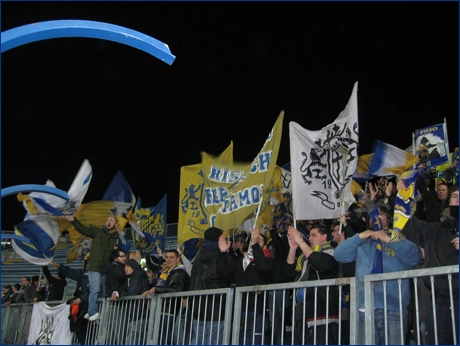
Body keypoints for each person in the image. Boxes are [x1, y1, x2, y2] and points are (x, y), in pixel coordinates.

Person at [334, 205, 422, 345]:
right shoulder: (363, 242)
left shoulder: (398, 238)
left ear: (388, 218)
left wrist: (388, 239)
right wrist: (360, 236)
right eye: (373, 214)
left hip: (393, 308)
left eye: (380, 214)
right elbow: (339, 255)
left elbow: (415, 256)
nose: (376, 217)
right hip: (363, 307)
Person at [402, 185, 459, 344]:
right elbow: (408, 226)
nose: (458, 198)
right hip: (440, 303)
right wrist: (403, 197)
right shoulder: (438, 229)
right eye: (455, 196)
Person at [287, 223, 340, 345]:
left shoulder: (332, 252)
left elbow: (322, 264)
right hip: (304, 307)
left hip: (323, 309)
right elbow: (289, 273)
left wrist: (300, 241)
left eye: (313, 235)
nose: (309, 238)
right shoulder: (306, 257)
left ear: (324, 237)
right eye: (309, 236)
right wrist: (293, 249)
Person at [65, 214, 121, 321]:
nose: (108, 221)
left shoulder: (116, 239)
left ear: (116, 224)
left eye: (111, 220)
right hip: (94, 266)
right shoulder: (98, 232)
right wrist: (73, 220)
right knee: (95, 289)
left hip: (105, 268)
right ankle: (92, 312)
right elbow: (84, 230)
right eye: (107, 220)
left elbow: (116, 254)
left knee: (103, 291)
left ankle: (91, 310)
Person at [224, 227, 275, 344]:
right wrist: (225, 252)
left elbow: (263, 266)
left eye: (259, 240)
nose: (255, 241)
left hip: (257, 308)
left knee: (254, 340)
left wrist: (255, 245)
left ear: (265, 246)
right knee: (239, 340)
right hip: (239, 307)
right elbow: (227, 273)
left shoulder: (268, 261)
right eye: (254, 239)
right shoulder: (241, 260)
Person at [189, 227, 236, 345]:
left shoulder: (198, 257)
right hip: (216, 309)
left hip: (197, 309)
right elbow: (230, 274)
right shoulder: (221, 255)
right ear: (220, 238)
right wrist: (224, 254)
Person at [142, 249, 191, 344]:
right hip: (161, 310)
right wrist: (151, 291)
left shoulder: (180, 273)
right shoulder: (166, 273)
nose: (168, 260)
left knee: (164, 340)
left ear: (178, 259)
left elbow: (177, 290)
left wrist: (157, 290)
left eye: (171, 257)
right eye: (167, 257)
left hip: (170, 312)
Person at [51, 260, 90, 345]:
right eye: (86, 264)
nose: (87, 265)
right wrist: (59, 266)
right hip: (82, 310)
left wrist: (82, 298)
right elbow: (70, 272)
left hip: (91, 309)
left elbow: (96, 290)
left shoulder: (99, 276)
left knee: (90, 335)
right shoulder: (83, 276)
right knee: (80, 332)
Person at [115, 258, 150, 344]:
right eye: (125, 266)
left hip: (140, 314)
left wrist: (121, 294)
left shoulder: (138, 276)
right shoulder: (129, 278)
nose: (125, 268)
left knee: (132, 340)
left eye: (128, 266)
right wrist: (117, 292)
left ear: (133, 267)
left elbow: (132, 292)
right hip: (133, 315)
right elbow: (122, 289)